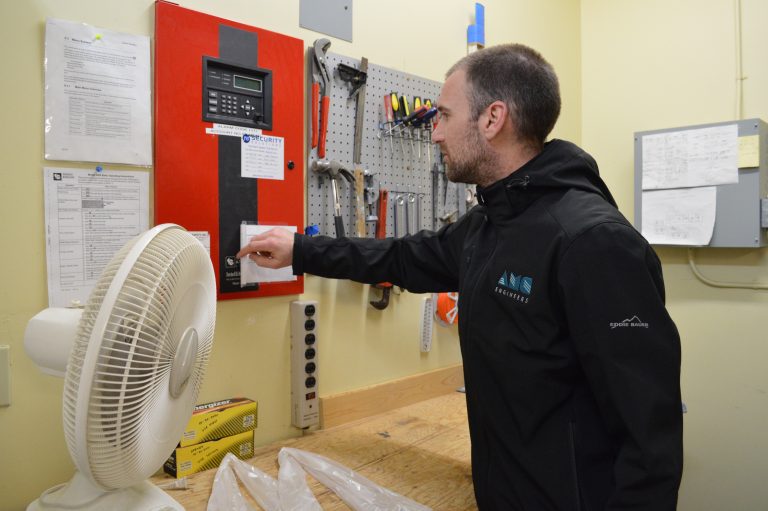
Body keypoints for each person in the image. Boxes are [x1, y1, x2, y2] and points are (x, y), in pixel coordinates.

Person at [237, 43, 683, 510]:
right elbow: (404, 257)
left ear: (492, 119)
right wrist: (302, 250)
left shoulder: (592, 242)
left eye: (445, 116)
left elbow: (649, 437)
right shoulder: (492, 222)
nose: (435, 134)